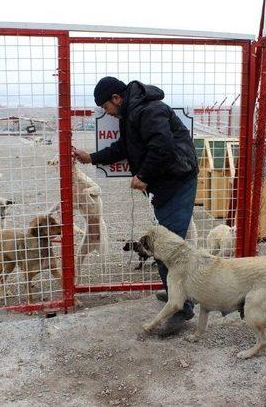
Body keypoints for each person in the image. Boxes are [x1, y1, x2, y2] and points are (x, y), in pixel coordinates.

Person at [73, 76, 199, 336]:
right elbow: (124, 148)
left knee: (167, 248)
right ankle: (179, 293)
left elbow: (161, 147)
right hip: (165, 184)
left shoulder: (150, 110)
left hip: (177, 181)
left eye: (105, 106)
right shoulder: (132, 114)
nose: (106, 112)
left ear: (116, 98)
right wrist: (91, 158)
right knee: (165, 244)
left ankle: (182, 308)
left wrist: (142, 175)